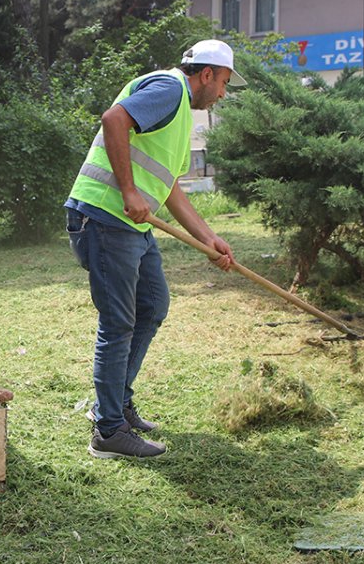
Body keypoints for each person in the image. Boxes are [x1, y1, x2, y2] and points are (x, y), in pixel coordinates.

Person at [65, 39, 243, 460]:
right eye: (223, 83)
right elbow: (113, 120)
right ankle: (109, 431)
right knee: (119, 322)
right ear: (206, 74)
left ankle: (115, 405)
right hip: (106, 216)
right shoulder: (169, 89)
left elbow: (171, 190)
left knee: (152, 305)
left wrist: (208, 238)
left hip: (132, 226)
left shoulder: (179, 113)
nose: (222, 94)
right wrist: (128, 190)